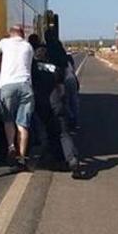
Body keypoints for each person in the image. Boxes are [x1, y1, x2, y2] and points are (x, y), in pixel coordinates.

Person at [0, 25, 34, 171]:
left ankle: (11, 146)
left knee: (8, 120)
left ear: (10, 34)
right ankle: (22, 157)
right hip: (25, 85)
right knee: (23, 124)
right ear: (22, 34)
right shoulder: (28, 46)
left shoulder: (5, 43)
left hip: (7, 85)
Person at [44, 29, 81, 175]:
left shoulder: (41, 65)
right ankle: (72, 159)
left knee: (53, 132)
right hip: (59, 96)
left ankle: (58, 160)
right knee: (63, 131)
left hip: (46, 102)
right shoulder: (60, 55)